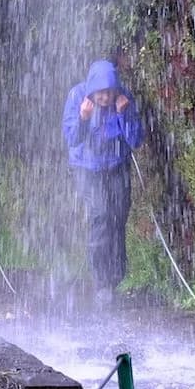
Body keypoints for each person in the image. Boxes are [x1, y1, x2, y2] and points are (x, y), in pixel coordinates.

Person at [62, 58, 145, 291]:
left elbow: (136, 140)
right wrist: (83, 119)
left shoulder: (122, 98)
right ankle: (101, 282)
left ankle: (116, 277)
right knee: (101, 215)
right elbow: (71, 139)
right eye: (100, 94)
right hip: (87, 169)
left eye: (109, 93)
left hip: (117, 166)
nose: (105, 99)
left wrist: (124, 114)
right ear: (92, 90)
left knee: (118, 217)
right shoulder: (77, 97)